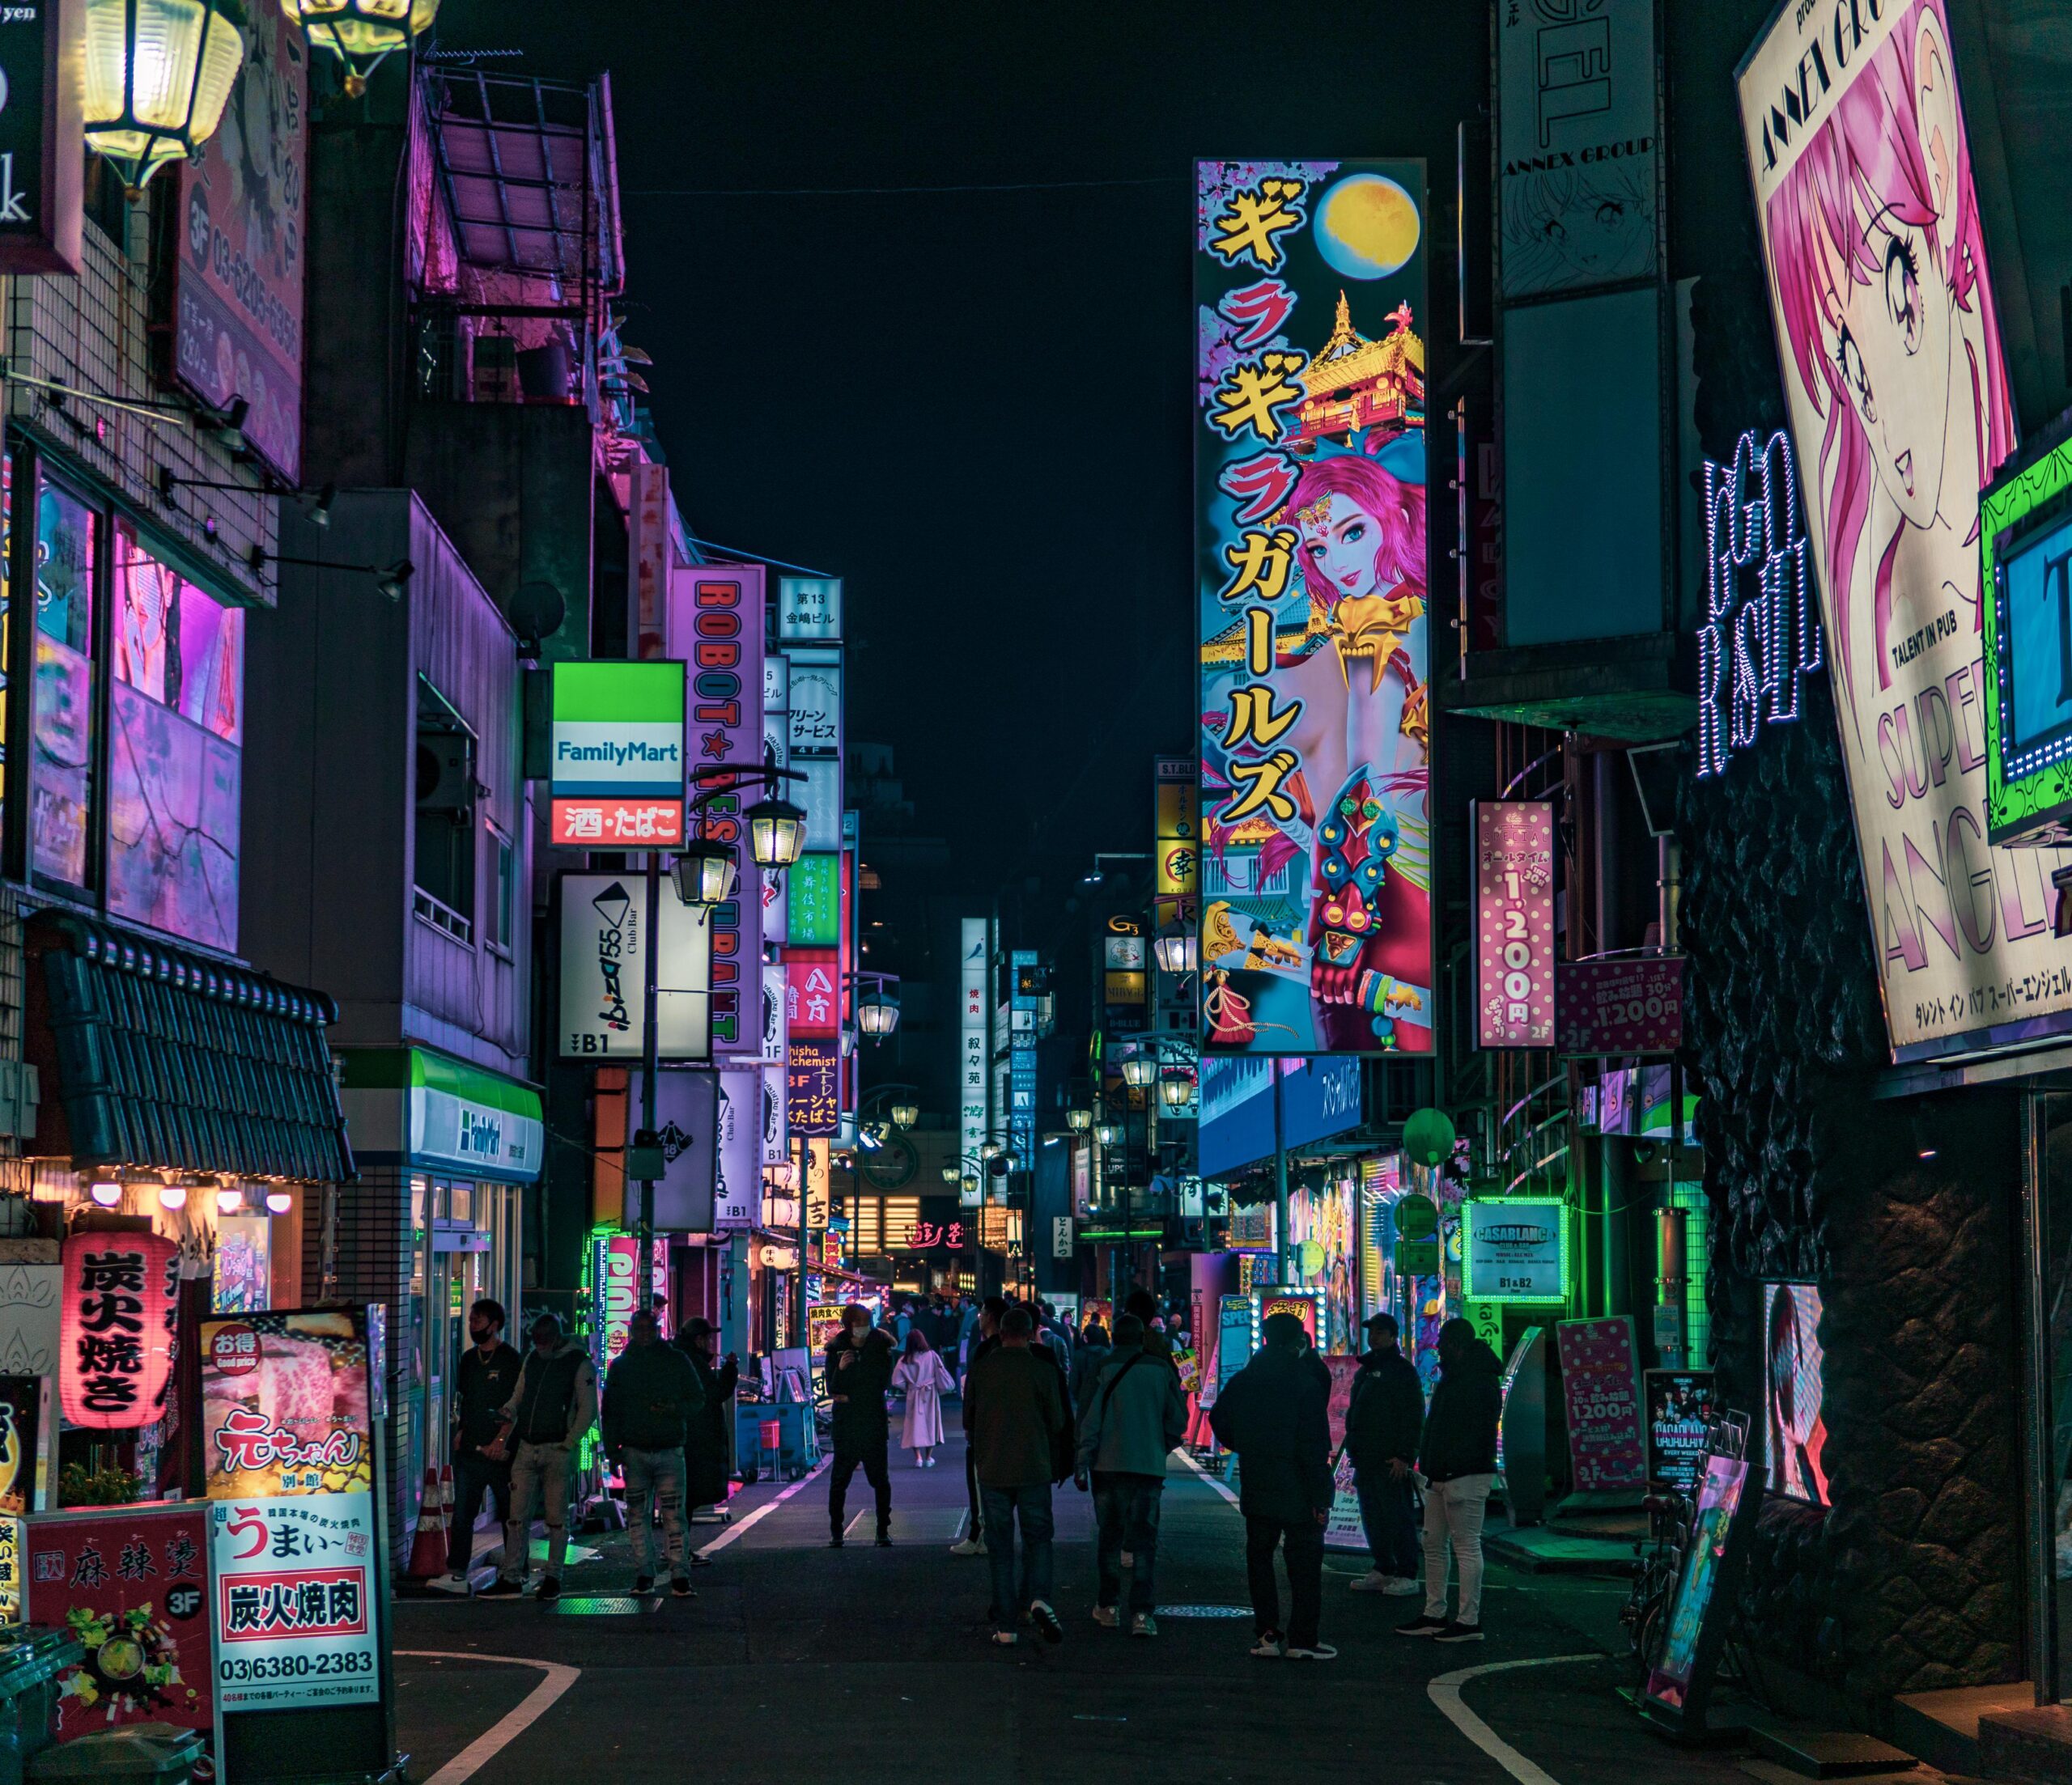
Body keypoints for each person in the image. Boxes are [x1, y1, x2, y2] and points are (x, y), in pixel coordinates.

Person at [1209, 1309, 1335, 1660]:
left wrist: (1245, 1444)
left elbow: (1220, 1418)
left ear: (1264, 1338)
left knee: (1260, 1558)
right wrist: (1321, 1494)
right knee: (1305, 1565)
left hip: (1259, 1480)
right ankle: (1302, 1639)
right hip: (1298, 1486)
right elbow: (1314, 1444)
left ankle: (1266, 1634)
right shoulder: (1305, 1381)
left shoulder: (1246, 1379)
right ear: (1298, 1340)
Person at [1076, 1313, 1187, 1638]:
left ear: (1115, 1338)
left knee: (1110, 1538)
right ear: (1142, 1337)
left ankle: (1109, 1607)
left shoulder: (1103, 1368)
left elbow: (1089, 1419)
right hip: (1148, 1467)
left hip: (1107, 1467)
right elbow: (1177, 1420)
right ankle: (1142, 1614)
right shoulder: (1160, 1369)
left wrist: (1082, 1461)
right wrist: (1159, 1447)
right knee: (1145, 1542)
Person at [1397, 1316, 1503, 1643]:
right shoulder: (1462, 1377)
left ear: (1455, 1345)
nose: (1437, 1346)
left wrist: (1442, 1463)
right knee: (1434, 1543)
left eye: (1442, 1340)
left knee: (1465, 1545)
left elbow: (1467, 1432)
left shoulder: (1476, 1381)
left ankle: (1468, 1620)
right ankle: (1435, 1613)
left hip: (1463, 1474)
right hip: (1445, 1474)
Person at [967, 1305, 1068, 1645]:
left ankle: (1006, 1626)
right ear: (1029, 1334)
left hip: (993, 1468)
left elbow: (969, 1421)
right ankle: (1038, 1598)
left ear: (1000, 1333)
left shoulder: (982, 1370)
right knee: (1038, 1538)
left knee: (1000, 1545)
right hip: (1034, 1466)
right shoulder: (1042, 1370)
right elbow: (1057, 1421)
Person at [480, 1312, 597, 1601]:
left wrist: (570, 1442)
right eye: (536, 1341)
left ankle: (552, 1577)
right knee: (516, 1518)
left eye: (543, 1341)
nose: (539, 1346)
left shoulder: (578, 1364)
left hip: (556, 1448)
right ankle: (513, 1576)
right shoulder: (533, 1361)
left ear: (556, 1338)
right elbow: (519, 1396)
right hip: (529, 1446)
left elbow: (589, 1409)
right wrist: (507, 1412)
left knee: (556, 1519)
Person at [601, 1308, 704, 1596]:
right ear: (633, 1332)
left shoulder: (656, 1362)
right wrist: (612, 1451)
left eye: (649, 1328)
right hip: (644, 1448)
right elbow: (610, 1412)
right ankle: (654, 1573)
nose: (645, 1334)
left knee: (661, 1515)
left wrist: (673, 1409)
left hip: (660, 1447)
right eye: (640, 1329)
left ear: (657, 1330)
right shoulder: (627, 1366)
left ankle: (671, 1573)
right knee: (647, 1515)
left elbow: (697, 1399)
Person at [1343, 1311, 1424, 1594]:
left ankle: (1407, 1573)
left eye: (1379, 1332)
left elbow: (1413, 1415)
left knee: (1397, 1516)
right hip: (1365, 1457)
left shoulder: (1402, 1371)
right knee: (1373, 1516)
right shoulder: (1365, 1369)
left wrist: (1405, 1455)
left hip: (1390, 1459)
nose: (1373, 1337)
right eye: (1371, 1331)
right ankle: (1383, 1567)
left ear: (1392, 1336)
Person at [448, 1298, 523, 1584]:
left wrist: (501, 1440)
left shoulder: (511, 1359)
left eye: (477, 1321)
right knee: (463, 1512)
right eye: (470, 1320)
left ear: (494, 1325)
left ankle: (515, 1569)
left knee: (509, 1512)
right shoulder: (468, 1359)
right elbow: (465, 1399)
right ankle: (456, 1569)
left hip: (501, 1453)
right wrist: (461, 1431)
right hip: (470, 1449)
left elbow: (516, 1405)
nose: (472, 1326)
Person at [824, 1303, 896, 1547]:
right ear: (848, 1325)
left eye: (866, 1323)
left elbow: (881, 1383)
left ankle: (882, 1529)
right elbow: (832, 1389)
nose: (862, 1328)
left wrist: (850, 1395)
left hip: (873, 1423)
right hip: (846, 1427)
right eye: (858, 1323)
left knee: (880, 1480)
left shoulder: (881, 1345)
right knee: (839, 1481)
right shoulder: (835, 1349)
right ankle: (836, 1531)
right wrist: (842, 1370)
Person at [676, 1317, 738, 1565]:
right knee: (687, 1496)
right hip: (695, 1437)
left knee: (680, 1496)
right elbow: (716, 1393)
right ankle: (679, 1551)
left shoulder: (681, 1357)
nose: (712, 1342)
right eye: (709, 1337)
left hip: (682, 1435)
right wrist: (730, 1369)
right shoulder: (693, 1363)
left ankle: (674, 1548)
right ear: (699, 1339)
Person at [949, 1297, 1004, 1558]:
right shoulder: (1018, 1349)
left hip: (984, 1429)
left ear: (991, 1316)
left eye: (982, 1313)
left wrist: (969, 1424)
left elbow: (973, 1392)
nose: (979, 1317)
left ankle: (980, 1535)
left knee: (980, 1484)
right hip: (1009, 1428)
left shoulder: (983, 1352)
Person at [892, 1329, 955, 1467]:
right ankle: (928, 1457)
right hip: (930, 1393)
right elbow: (941, 1371)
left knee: (914, 1426)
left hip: (913, 1394)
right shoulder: (932, 1355)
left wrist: (908, 1387)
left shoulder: (904, 1360)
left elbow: (896, 1381)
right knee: (931, 1424)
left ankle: (918, 1458)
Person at [1070, 1322, 1113, 1420]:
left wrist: (1076, 1395)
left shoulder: (1079, 1354)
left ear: (1085, 1338)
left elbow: (1074, 1380)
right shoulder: (1107, 1353)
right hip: (1103, 1396)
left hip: (1084, 1396)